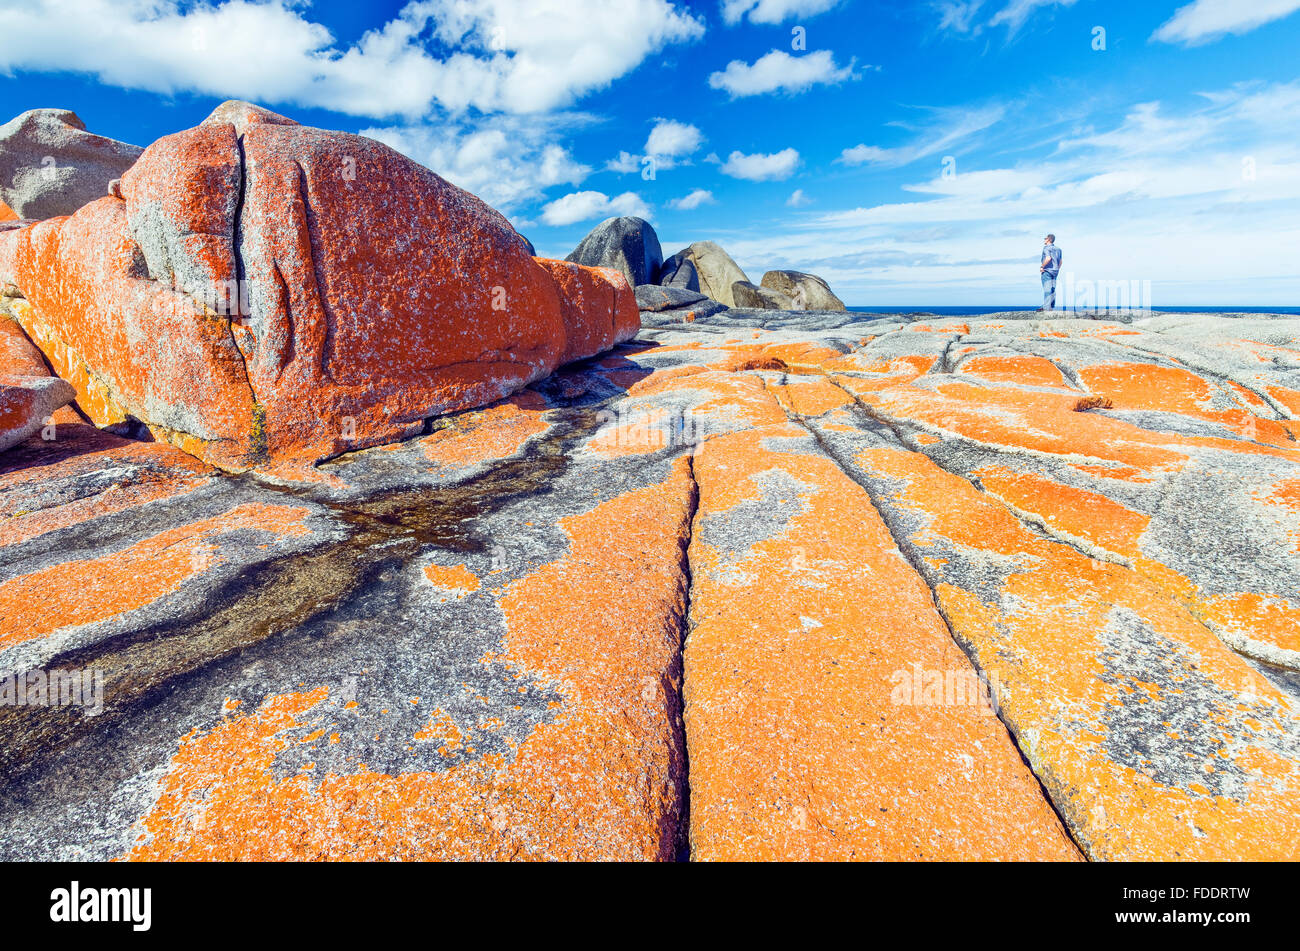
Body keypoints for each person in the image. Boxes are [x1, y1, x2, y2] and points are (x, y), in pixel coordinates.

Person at [1039, 234, 1062, 311]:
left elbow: (1048, 258)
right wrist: (1057, 269)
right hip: (1055, 272)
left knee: (1047, 289)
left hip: (1047, 271)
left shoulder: (1046, 248)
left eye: (1045, 238)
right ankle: (1051, 307)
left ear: (1048, 239)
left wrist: (1042, 266)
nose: (1044, 239)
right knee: (1052, 289)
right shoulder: (1058, 249)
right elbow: (1061, 261)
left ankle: (1046, 308)